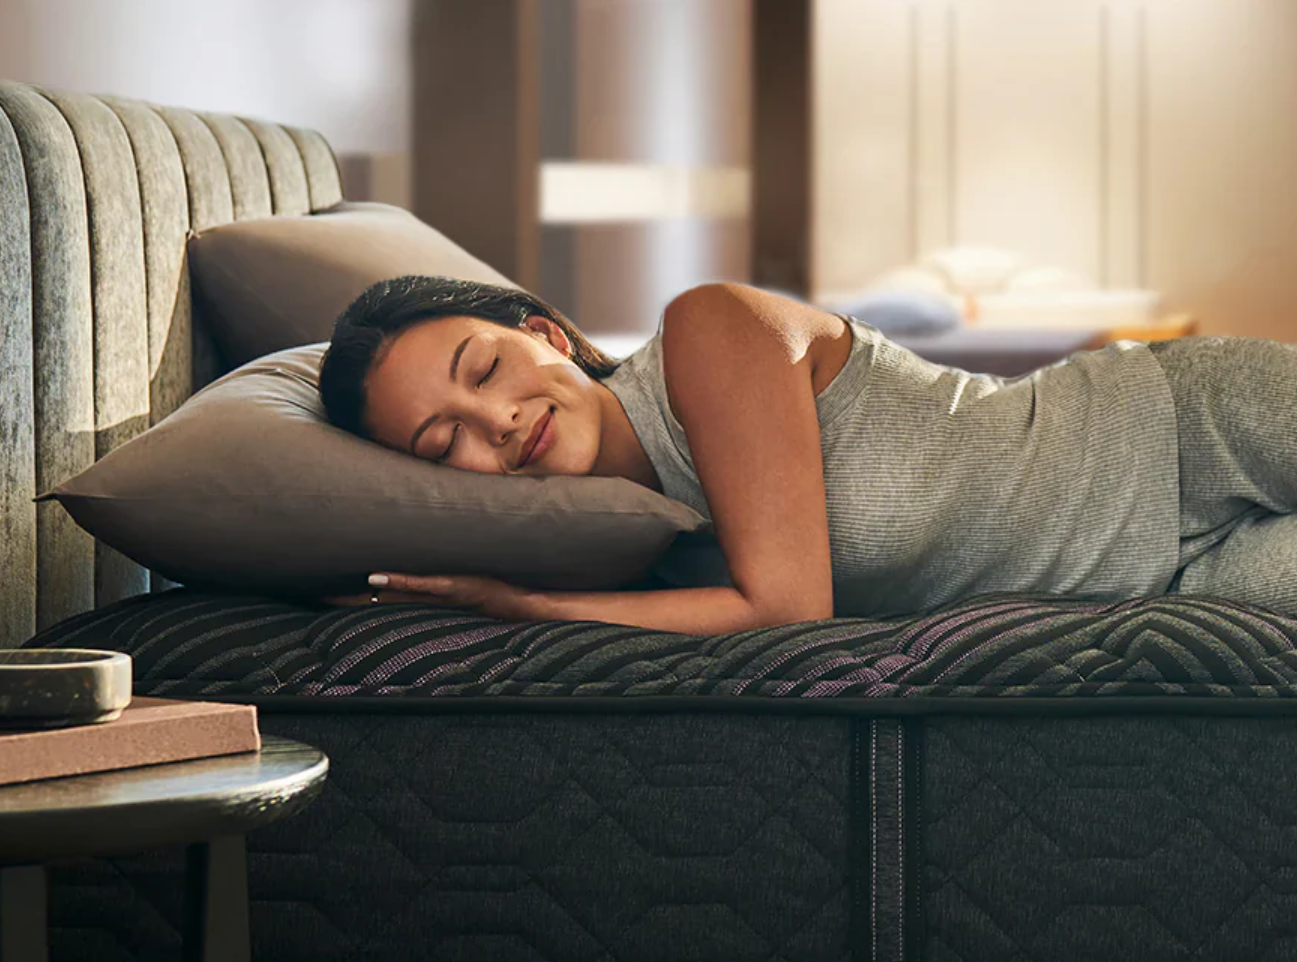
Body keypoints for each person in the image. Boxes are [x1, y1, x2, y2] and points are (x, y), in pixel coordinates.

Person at [318, 273, 1297, 635]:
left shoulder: (706, 332)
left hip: (1173, 425)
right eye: (442, 443)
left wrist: (526, 610)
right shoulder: (605, 543)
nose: (493, 424)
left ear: (550, 335)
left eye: (484, 369)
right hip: (1172, 585)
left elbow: (788, 609)